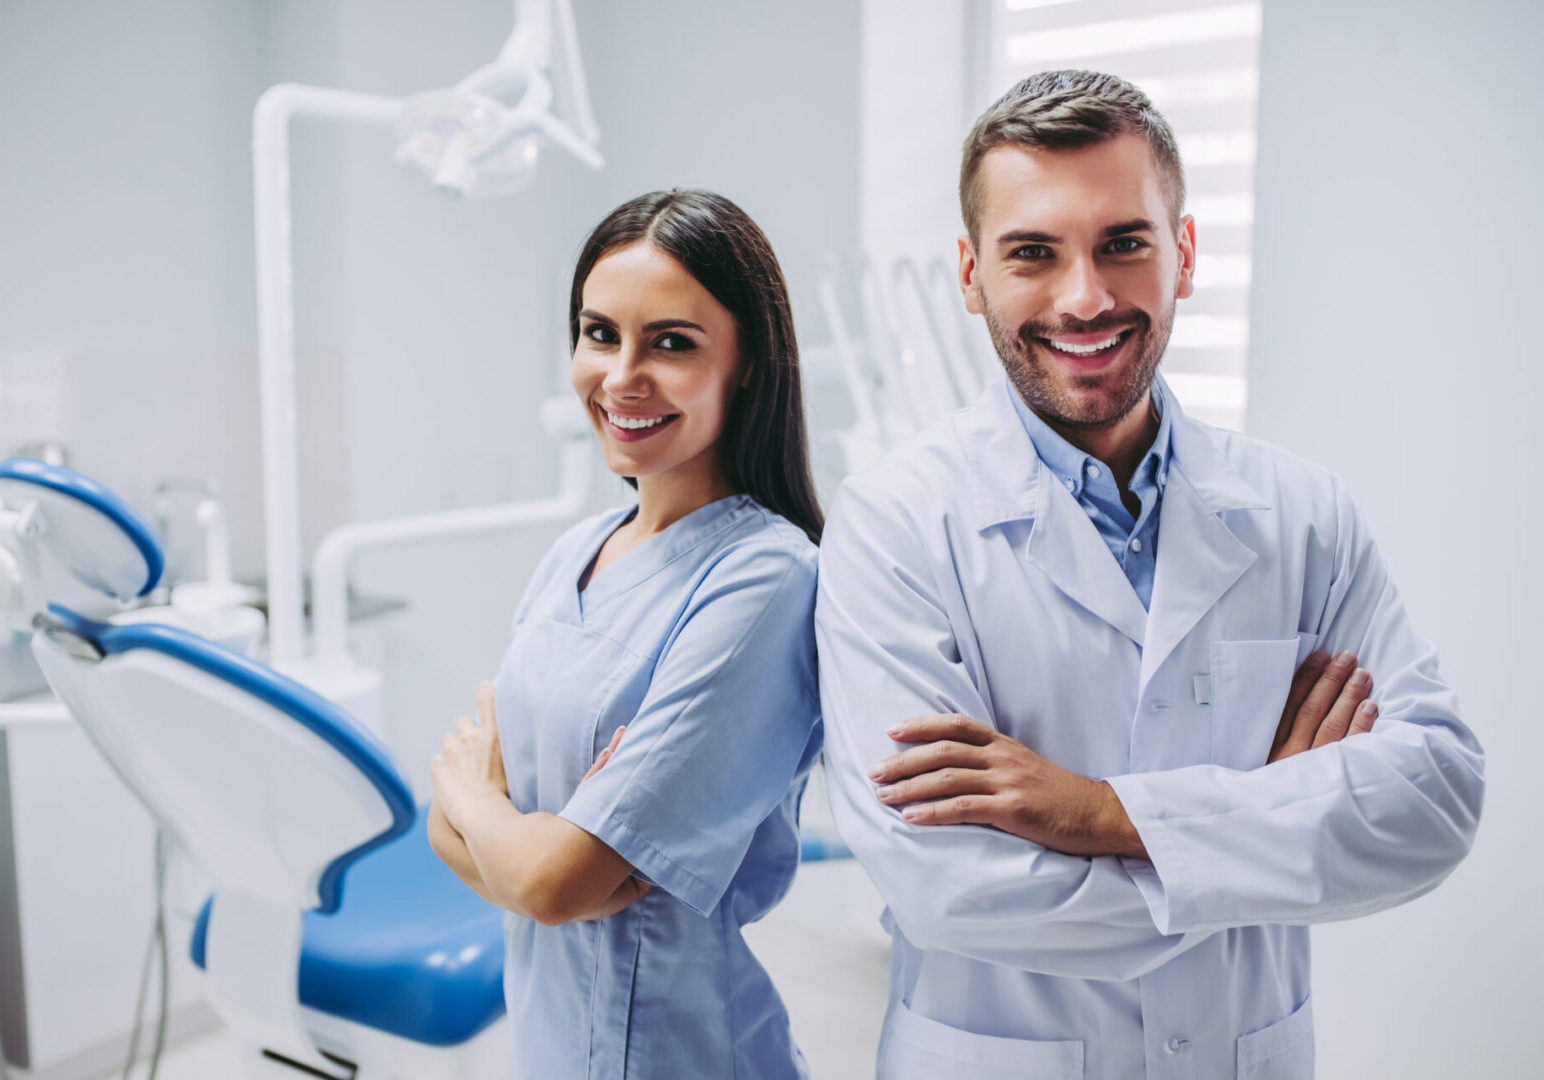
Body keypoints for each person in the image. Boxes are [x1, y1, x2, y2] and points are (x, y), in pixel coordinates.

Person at [816, 70, 1485, 1079]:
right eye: (1031, 253)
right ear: (968, 274)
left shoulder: (1302, 515)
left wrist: (1101, 815)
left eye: (1122, 243)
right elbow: (946, 887)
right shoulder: (891, 527)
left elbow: (1432, 799)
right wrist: (1263, 823)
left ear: (1179, 253)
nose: (1083, 297)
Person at [426, 189, 824, 1080]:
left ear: (750, 360)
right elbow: (451, 838)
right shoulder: (579, 550)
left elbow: (541, 878)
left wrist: (481, 803)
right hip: (550, 1043)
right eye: (600, 333)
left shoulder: (766, 578)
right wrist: (525, 846)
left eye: (672, 343)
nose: (621, 376)